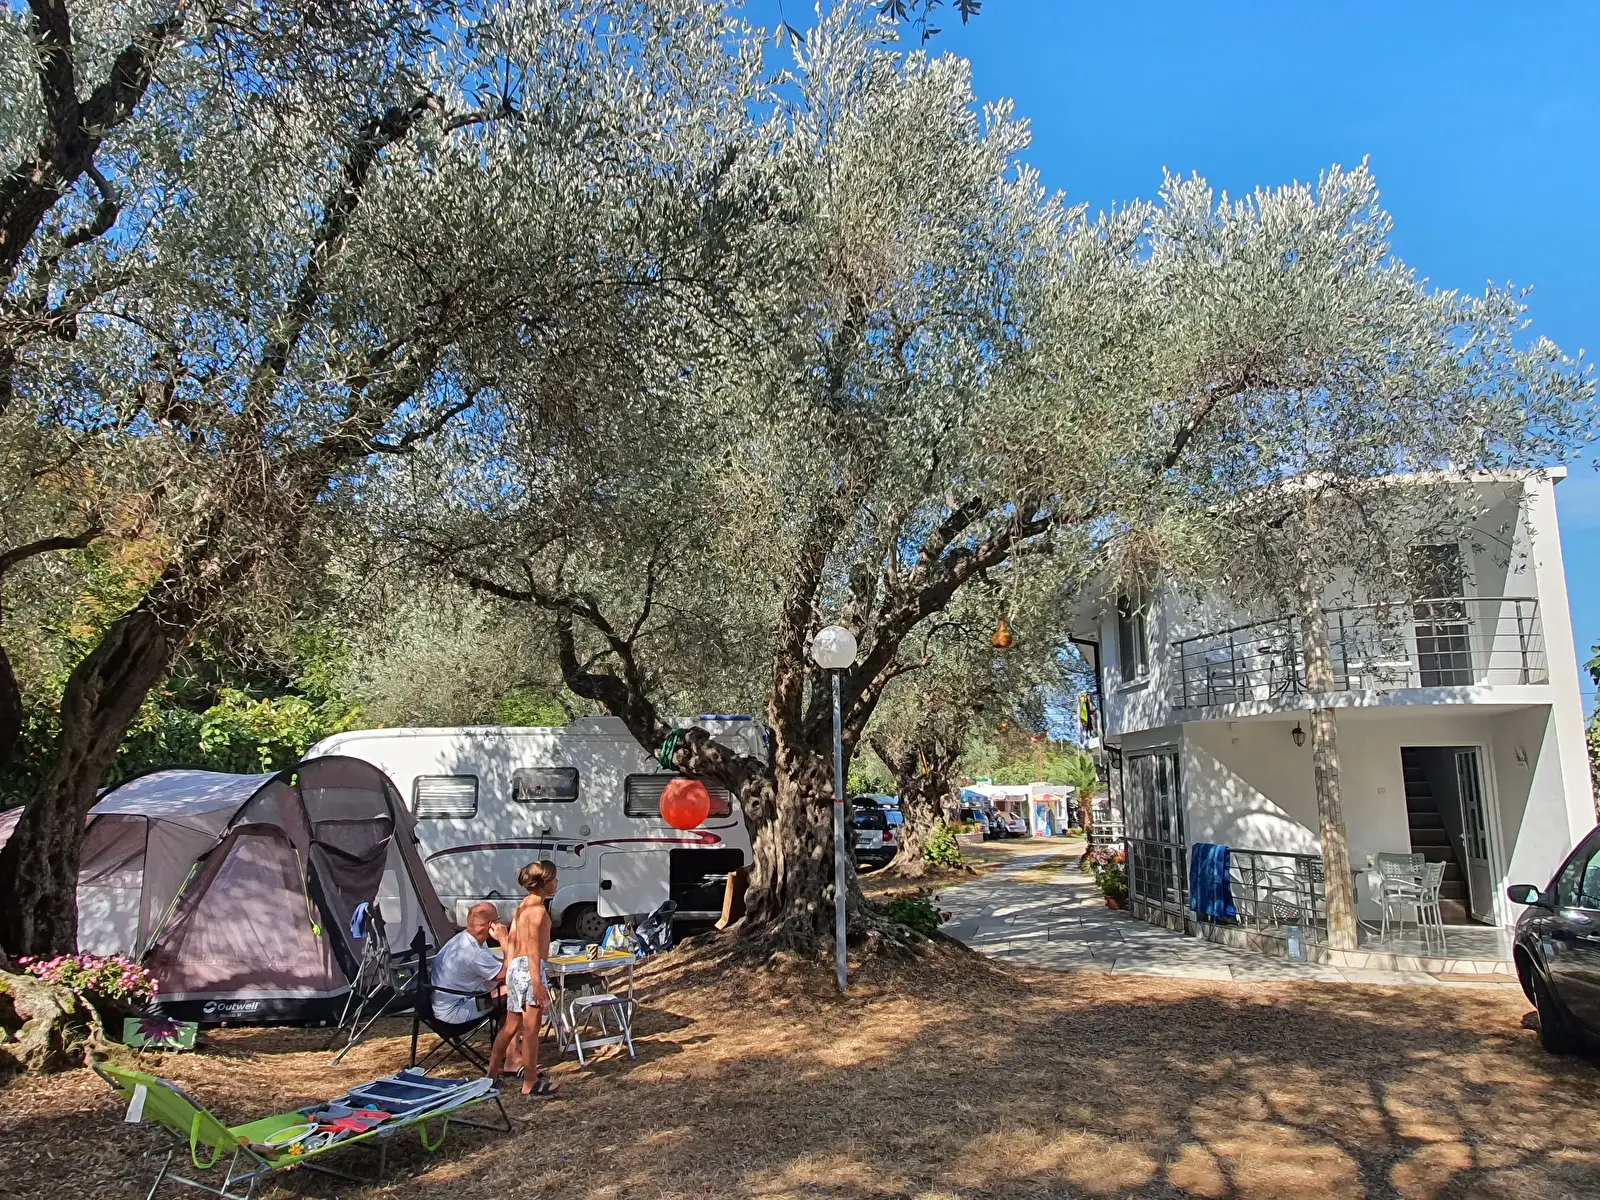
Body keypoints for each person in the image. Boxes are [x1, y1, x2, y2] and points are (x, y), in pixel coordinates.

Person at [487, 860, 557, 1097]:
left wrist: (509, 965)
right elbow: (533, 948)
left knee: (510, 1026)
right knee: (530, 1030)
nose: (557, 882)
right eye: (554, 879)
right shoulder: (538, 911)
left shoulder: (522, 907)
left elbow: (514, 942)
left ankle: (490, 1076)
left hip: (516, 968)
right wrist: (537, 982)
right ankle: (529, 1082)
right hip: (530, 969)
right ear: (544, 883)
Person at [430, 902, 508, 1025]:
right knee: (517, 989)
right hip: (456, 1010)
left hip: (448, 1004)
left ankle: (508, 1033)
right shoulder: (474, 952)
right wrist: (504, 940)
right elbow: (507, 974)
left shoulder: (463, 939)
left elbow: (497, 969)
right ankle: (511, 1035)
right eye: (497, 920)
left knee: (507, 985)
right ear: (491, 925)